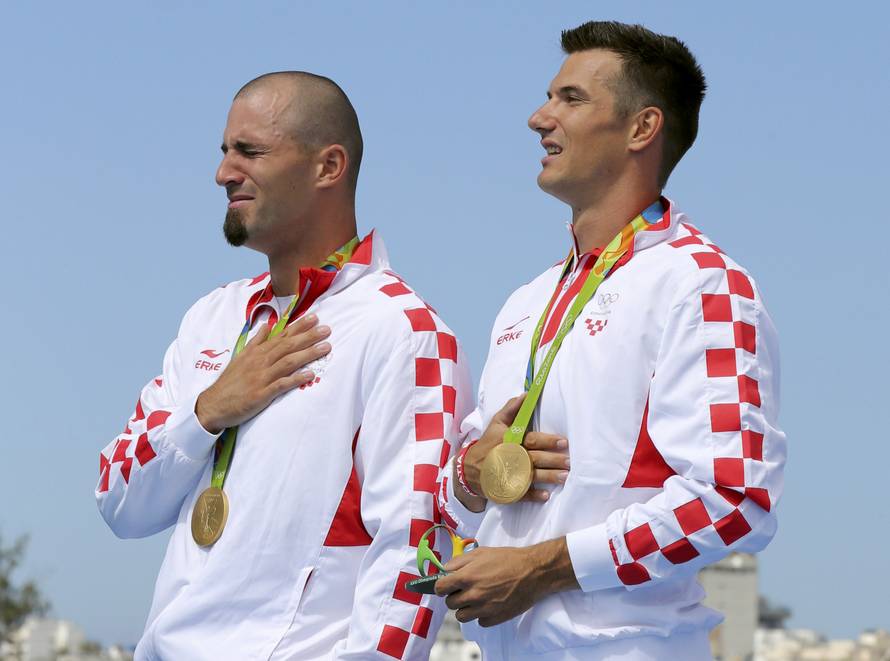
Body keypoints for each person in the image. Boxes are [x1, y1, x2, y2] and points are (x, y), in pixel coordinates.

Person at [435, 21, 786, 660]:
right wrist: (471, 474)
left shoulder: (703, 285)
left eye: (570, 99)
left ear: (641, 129)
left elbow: (736, 500)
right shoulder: (526, 302)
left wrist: (543, 566)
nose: (539, 118)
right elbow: (456, 506)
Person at [96, 71, 471, 661]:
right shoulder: (212, 317)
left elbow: (413, 549)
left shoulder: (403, 331)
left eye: (250, 152)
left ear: (328, 167)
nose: (223, 173)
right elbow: (118, 499)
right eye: (223, 152)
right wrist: (207, 413)